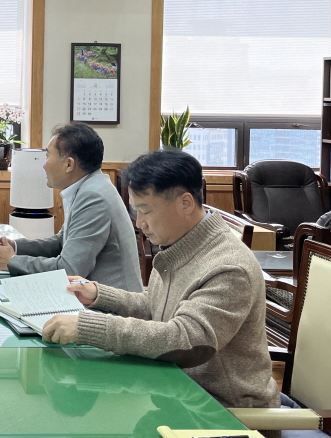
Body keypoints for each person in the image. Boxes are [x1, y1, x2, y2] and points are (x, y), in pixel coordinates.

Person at [42, 149, 279, 409]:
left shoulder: (229, 267)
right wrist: (99, 295)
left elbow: (187, 340)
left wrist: (89, 327)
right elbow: (157, 307)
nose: (139, 223)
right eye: (136, 211)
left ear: (185, 203)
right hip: (178, 393)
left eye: (146, 210)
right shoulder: (180, 244)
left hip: (223, 412)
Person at [0, 123, 143, 293]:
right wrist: (15, 246)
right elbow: (62, 242)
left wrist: (11, 261)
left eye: (48, 156)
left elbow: (70, 269)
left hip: (113, 308)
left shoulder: (94, 197)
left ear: (68, 164)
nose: (44, 165)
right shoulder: (89, 187)